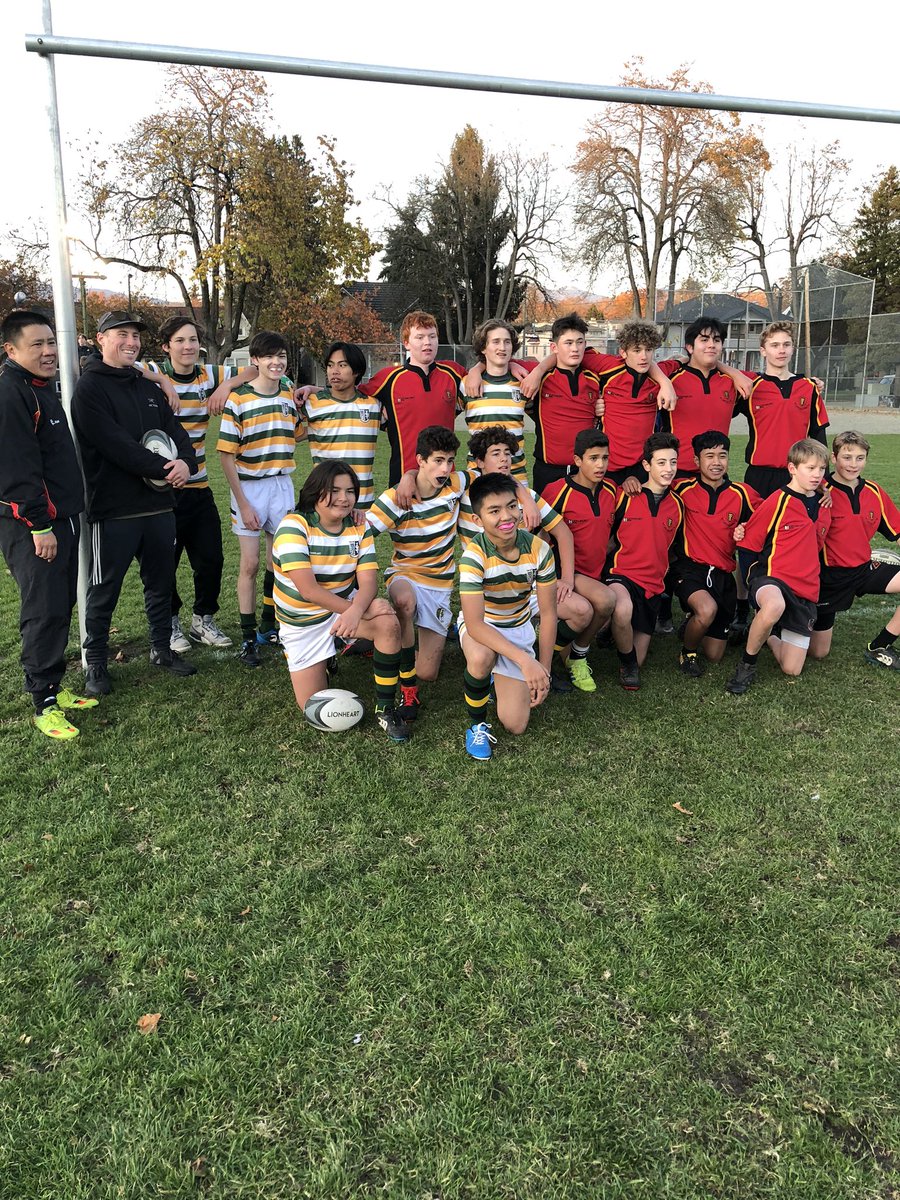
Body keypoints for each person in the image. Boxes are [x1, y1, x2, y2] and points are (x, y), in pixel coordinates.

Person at [72, 310, 198, 696]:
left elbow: (178, 435)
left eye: (135, 335)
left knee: (161, 583)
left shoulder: (148, 389)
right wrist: (166, 466)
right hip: (113, 511)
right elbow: (116, 447)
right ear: (100, 339)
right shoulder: (89, 389)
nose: (131, 341)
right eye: (121, 334)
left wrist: (185, 465)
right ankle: (96, 663)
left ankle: (161, 649)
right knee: (104, 589)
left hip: (159, 507)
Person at [0, 310, 91, 739]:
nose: (49, 351)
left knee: (60, 605)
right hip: (35, 527)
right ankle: (44, 702)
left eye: (51, 342)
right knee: (42, 610)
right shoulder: (10, 393)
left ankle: (54, 684)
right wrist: (39, 527)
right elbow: (16, 470)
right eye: (36, 344)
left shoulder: (40, 389)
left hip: (63, 519)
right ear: (11, 350)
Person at [272, 461, 410, 743]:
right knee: (313, 707)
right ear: (315, 491)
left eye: (350, 491)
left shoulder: (359, 527)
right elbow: (308, 590)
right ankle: (330, 651)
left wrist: (358, 610)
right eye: (334, 490)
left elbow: (368, 581)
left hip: (341, 609)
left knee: (386, 622)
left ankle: (385, 707)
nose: (344, 498)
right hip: (303, 623)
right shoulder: (293, 527)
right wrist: (353, 611)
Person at [141, 315, 233, 653]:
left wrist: (225, 387)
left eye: (193, 340)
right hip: (160, 491)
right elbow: (111, 363)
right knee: (163, 564)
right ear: (166, 346)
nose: (188, 346)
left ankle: (203, 620)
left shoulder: (210, 374)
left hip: (198, 486)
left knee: (211, 559)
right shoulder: (152, 368)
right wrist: (162, 381)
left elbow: (254, 370)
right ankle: (170, 624)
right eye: (180, 340)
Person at [216, 330, 304, 666]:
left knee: (277, 561)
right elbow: (226, 456)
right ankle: (248, 637)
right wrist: (244, 503)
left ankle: (271, 624)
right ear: (255, 361)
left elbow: (299, 431)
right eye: (269, 356)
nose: (276, 362)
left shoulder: (287, 392)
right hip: (250, 488)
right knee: (250, 564)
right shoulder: (238, 399)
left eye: (281, 356)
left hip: (282, 484)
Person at [458, 473, 557, 760]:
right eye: (494, 510)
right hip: (483, 627)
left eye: (512, 506)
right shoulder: (474, 556)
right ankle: (476, 725)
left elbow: (549, 614)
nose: (507, 516)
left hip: (517, 626)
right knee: (480, 657)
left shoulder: (539, 549)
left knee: (516, 725)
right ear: (478, 520)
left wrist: (544, 669)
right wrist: (526, 661)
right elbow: (475, 623)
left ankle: (496, 679)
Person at [519, 314, 677, 493]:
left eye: (580, 342)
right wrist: (538, 370)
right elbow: (501, 361)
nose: (575, 348)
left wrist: (665, 382)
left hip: (604, 469)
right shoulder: (604, 367)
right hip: (550, 470)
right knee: (547, 520)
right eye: (569, 343)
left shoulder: (594, 378)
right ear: (623, 352)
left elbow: (686, 360)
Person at [726, 439, 831, 694]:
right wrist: (753, 579)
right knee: (774, 604)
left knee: (791, 668)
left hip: (804, 588)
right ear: (792, 469)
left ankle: (767, 634)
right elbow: (749, 543)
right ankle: (747, 664)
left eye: (821, 469)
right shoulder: (777, 500)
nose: (817, 474)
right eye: (810, 468)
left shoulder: (825, 504)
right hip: (772, 578)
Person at [809, 431, 900, 669]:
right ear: (834, 457)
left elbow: (897, 532)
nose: (853, 464)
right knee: (818, 652)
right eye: (847, 457)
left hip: (864, 569)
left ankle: (880, 645)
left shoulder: (874, 492)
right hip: (828, 578)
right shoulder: (817, 490)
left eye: (860, 458)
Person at [672, 432, 759, 676]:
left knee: (714, 655)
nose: (716, 462)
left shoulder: (743, 494)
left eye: (722, 456)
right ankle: (687, 653)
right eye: (709, 456)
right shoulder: (681, 488)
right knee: (707, 609)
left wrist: (746, 528)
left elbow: (773, 511)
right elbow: (652, 484)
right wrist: (630, 482)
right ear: (697, 461)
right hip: (690, 569)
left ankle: (692, 622)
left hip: (722, 576)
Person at [604, 433, 684, 690]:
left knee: (641, 658)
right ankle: (625, 661)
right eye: (661, 463)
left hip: (652, 586)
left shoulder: (679, 505)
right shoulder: (625, 495)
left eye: (673, 462)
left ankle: (615, 634)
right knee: (622, 609)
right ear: (646, 465)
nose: (668, 469)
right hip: (622, 575)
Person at [541, 428, 619, 691]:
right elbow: (539, 537)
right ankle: (575, 656)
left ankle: (570, 651)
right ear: (577, 461)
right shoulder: (556, 491)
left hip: (595, 574)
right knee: (606, 600)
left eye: (605, 458)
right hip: (564, 572)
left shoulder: (612, 490)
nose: (600, 465)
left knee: (603, 608)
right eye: (593, 458)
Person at [357, 311, 465, 486]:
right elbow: (351, 394)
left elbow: (488, 373)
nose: (427, 342)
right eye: (419, 337)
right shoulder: (388, 378)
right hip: (403, 479)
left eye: (432, 336)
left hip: (444, 477)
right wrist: (312, 389)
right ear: (406, 343)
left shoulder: (453, 373)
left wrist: (511, 366)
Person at [735, 322, 829, 498]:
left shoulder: (809, 387)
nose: (781, 350)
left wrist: (823, 480)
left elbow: (819, 437)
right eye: (774, 345)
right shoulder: (751, 387)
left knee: (796, 525)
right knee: (758, 525)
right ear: (763, 351)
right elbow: (721, 413)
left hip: (797, 475)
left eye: (786, 345)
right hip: (759, 476)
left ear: (793, 349)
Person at [656, 318, 751, 480]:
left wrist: (735, 373)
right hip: (677, 474)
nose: (711, 345)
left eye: (717, 340)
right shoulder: (669, 380)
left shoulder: (734, 382)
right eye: (704, 340)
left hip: (716, 474)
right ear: (690, 347)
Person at [298, 342, 381, 509]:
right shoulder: (311, 402)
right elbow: (293, 434)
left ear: (356, 370)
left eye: (342, 365)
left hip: (362, 500)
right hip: (325, 497)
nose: (334, 371)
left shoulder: (374, 405)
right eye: (330, 365)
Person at [460, 319, 531, 481]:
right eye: (496, 342)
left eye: (507, 342)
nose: (502, 347)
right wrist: (475, 370)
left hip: (516, 475)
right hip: (478, 475)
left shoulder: (523, 383)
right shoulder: (467, 384)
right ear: (484, 347)